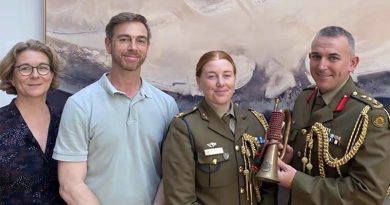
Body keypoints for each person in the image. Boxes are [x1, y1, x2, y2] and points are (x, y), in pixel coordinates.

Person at [53, 12, 179, 205]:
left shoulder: (167, 105)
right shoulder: (80, 104)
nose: (133, 47)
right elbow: (70, 185)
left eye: (140, 41)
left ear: (147, 47)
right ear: (108, 44)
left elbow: (171, 174)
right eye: (124, 39)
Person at [277, 26, 390, 205]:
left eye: (333, 58)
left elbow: (368, 193)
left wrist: (297, 182)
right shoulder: (305, 98)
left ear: (352, 63)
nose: (322, 66)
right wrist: (289, 156)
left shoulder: (369, 116)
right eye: (316, 56)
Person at [162, 50, 277, 205]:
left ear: (235, 79)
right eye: (211, 76)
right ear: (199, 81)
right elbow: (181, 199)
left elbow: (268, 187)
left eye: (227, 75)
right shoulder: (184, 127)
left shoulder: (256, 122)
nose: (221, 83)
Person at [0, 39, 65, 204]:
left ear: (51, 75)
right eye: (25, 68)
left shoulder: (67, 121)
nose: (35, 75)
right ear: (11, 77)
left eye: (43, 68)